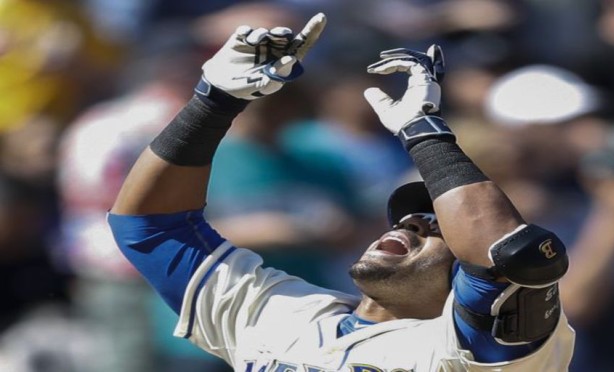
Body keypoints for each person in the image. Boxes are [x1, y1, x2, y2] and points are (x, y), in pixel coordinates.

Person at [108, 13, 574, 370]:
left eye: (435, 227)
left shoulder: (471, 352)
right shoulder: (277, 313)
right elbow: (148, 226)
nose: (413, 222)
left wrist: (424, 131)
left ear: (464, 286)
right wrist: (212, 101)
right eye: (412, 217)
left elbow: (510, 257)